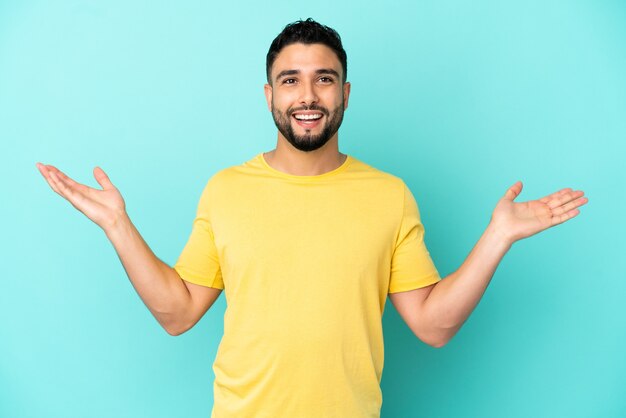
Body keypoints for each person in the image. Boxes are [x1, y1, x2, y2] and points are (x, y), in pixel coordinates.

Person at [36, 18, 588, 418]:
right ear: (269, 94)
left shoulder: (389, 195)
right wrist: (118, 226)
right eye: (290, 79)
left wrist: (499, 236)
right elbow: (177, 313)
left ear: (345, 93)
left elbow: (432, 325)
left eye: (324, 79)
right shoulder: (226, 190)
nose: (307, 95)